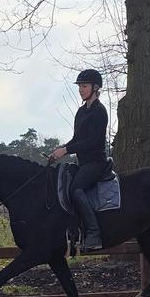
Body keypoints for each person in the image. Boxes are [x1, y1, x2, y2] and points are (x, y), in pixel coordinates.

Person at [50, 69, 109, 251]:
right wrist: (60, 151)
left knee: (76, 189)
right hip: (82, 163)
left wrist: (66, 150)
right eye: (80, 87)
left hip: (96, 163)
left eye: (84, 86)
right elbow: (77, 139)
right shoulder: (81, 112)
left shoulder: (99, 111)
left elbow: (91, 142)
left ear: (95, 87)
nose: (81, 90)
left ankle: (94, 232)